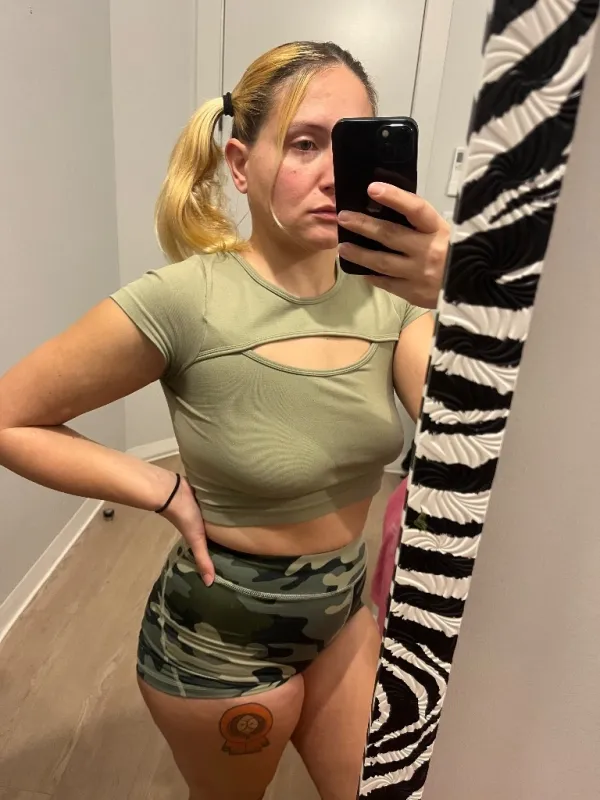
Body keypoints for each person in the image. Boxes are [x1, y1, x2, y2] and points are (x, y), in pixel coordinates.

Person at [0, 41, 449, 800]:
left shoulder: (393, 296)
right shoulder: (187, 299)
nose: (333, 173)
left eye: (347, 145)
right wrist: (160, 488)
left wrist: (463, 292)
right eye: (304, 144)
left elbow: (472, 442)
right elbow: (11, 417)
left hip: (345, 616)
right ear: (240, 165)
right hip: (218, 648)